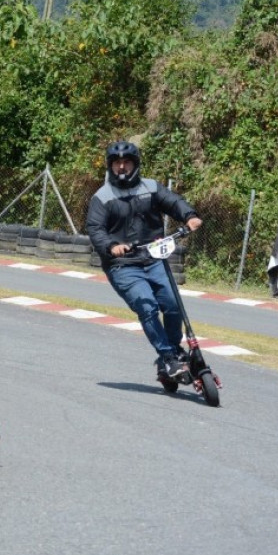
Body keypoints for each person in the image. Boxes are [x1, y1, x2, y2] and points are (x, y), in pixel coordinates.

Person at [86, 140, 203, 380]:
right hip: (123, 265)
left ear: (135, 164)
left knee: (172, 304)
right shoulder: (102, 197)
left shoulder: (151, 188)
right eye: (117, 163)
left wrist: (189, 216)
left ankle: (173, 354)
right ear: (110, 166)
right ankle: (168, 357)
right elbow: (95, 229)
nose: (121, 167)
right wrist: (112, 246)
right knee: (147, 306)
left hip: (153, 259)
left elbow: (173, 201)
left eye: (126, 162)